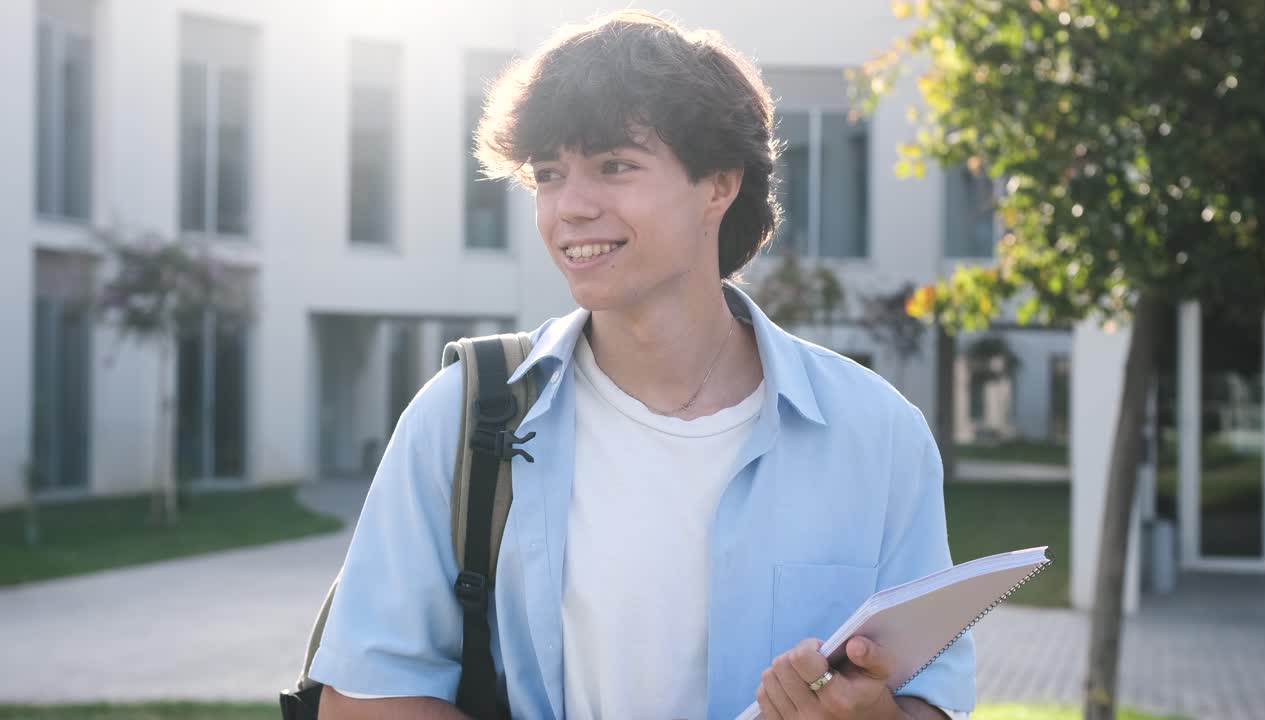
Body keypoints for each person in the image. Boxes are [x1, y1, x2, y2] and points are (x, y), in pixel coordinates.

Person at [310, 10, 975, 720]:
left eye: (614, 166)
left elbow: (931, 700)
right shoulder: (462, 416)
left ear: (718, 186)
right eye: (549, 175)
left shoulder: (878, 435)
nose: (569, 207)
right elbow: (364, 699)